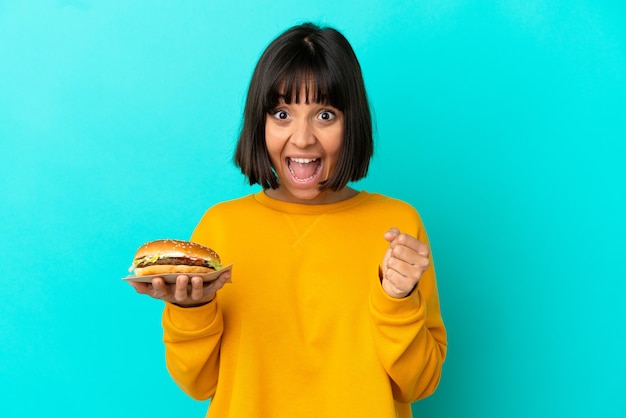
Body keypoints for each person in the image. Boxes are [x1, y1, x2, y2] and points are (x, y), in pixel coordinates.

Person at [129, 22, 447, 418]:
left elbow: (420, 383)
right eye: (282, 113)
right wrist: (193, 311)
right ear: (259, 123)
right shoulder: (221, 227)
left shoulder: (396, 227)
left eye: (325, 115)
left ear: (353, 123)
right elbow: (198, 384)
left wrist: (397, 301)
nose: (302, 138)